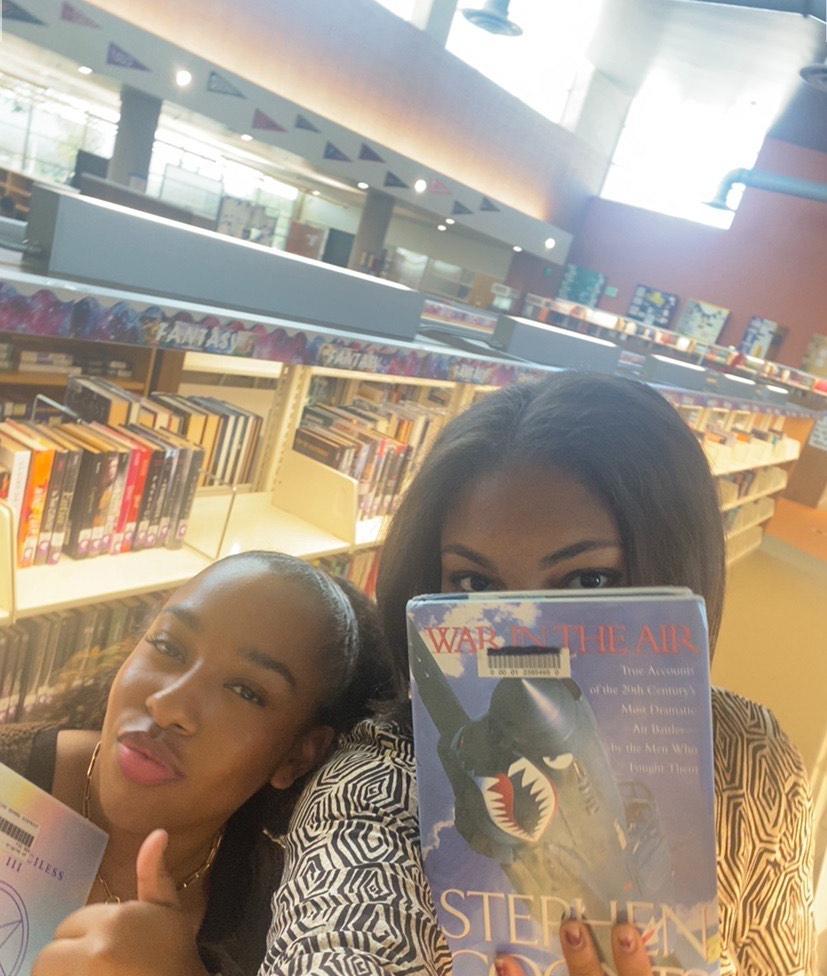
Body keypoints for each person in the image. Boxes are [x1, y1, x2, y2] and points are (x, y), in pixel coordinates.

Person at [263, 372, 814, 976]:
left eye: (589, 581)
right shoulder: (376, 793)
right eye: (474, 583)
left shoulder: (750, 753)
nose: (523, 640)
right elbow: (339, 936)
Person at [1, 551, 393, 976]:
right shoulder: (10, 768)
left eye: (245, 692)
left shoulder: (284, 926)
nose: (169, 706)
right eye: (168, 646)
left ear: (297, 756)